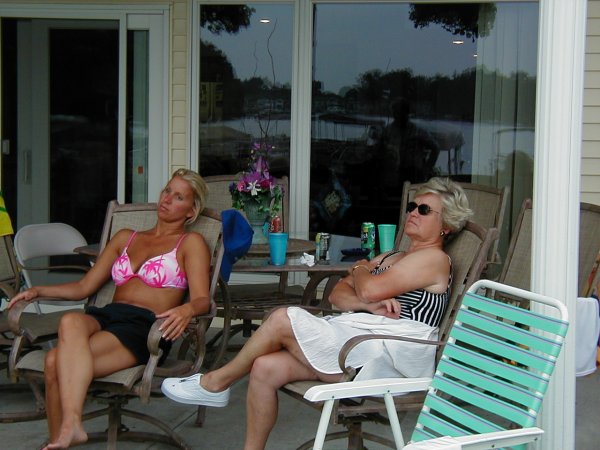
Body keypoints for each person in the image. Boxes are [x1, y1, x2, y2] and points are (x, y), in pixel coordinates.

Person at [162, 177, 473, 450]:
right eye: (412, 206)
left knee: (283, 317)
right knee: (265, 368)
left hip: (388, 356)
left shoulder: (434, 259)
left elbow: (366, 287)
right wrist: (366, 301)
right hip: (362, 337)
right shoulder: (393, 255)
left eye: (424, 210)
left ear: (446, 225)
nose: (413, 213)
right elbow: (337, 293)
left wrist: (360, 269)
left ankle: (217, 382)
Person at [7, 169, 211, 450]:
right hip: (109, 314)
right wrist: (38, 291)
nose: (167, 199)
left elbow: (202, 300)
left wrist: (187, 310)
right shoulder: (126, 237)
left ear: (191, 210)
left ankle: (66, 432)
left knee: (54, 362)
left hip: (144, 326)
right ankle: (71, 428)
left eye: (179, 197)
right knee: (71, 321)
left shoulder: (190, 243)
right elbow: (84, 287)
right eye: (167, 191)